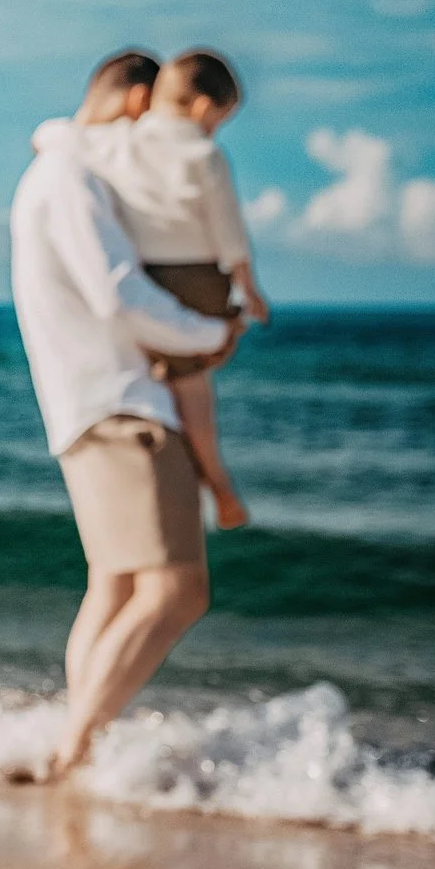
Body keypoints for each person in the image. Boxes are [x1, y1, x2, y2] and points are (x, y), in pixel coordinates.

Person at [11, 50, 242, 778]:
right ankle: (73, 751)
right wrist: (210, 334)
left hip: (87, 405)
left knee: (114, 585)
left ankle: (74, 744)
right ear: (139, 101)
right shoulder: (69, 179)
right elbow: (117, 294)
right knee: (178, 589)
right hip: (119, 404)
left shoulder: (51, 174)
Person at [77, 48, 267, 529]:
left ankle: (187, 473)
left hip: (146, 277)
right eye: (219, 120)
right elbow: (229, 233)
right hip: (198, 279)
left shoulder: (122, 141)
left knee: (161, 381)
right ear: (203, 108)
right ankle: (218, 484)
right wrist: (249, 288)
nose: (215, 130)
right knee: (194, 387)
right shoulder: (205, 155)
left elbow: (73, 140)